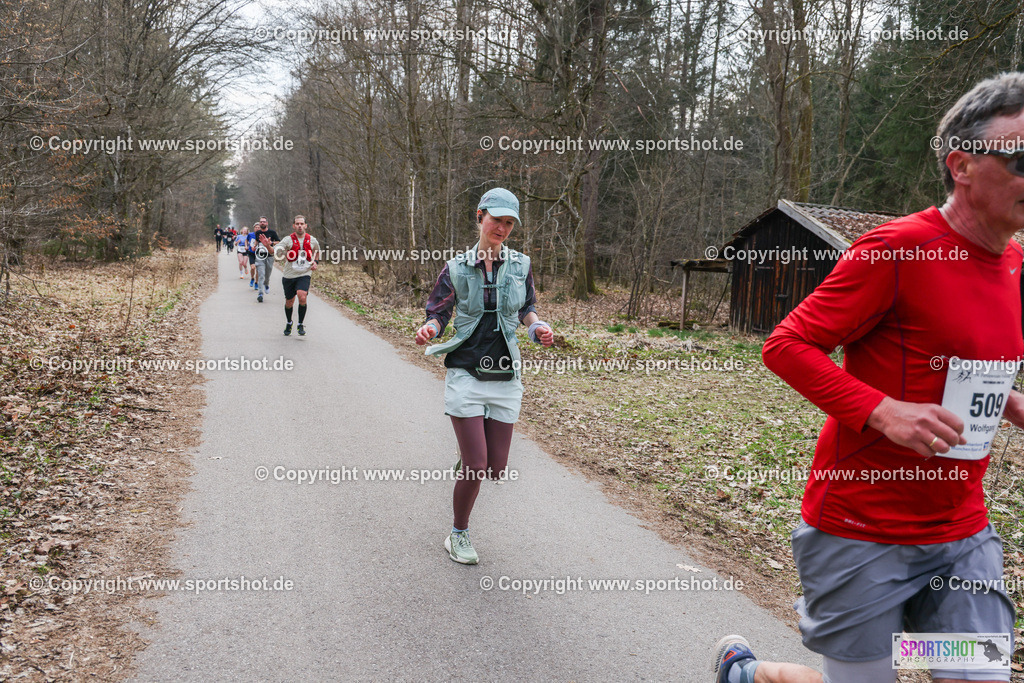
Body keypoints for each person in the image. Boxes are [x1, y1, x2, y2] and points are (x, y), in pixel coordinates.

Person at [714, 72, 1024, 683]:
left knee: (977, 674)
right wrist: (884, 411)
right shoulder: (897, 249)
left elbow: (960, 362)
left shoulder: (1014, 262)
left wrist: (1008, 401)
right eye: (1022, 158)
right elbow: (786, 345)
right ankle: (752, 674)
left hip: (961, 530)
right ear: (961, 164)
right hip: (862, 527)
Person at [415, 188, 554, 565]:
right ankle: (458, 533)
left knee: (495, 469)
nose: (503, 228)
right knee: (478, 467)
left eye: (510, 223)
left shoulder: (521, 265)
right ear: (480, 216)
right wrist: (430, 328)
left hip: (506, 374)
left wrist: (537, 327)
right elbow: (439, 311)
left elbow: (526, 308)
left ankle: (469, 456)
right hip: (466, 370)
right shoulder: (456, 267)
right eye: (497, 220)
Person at [275, 215, 320, 336]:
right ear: (294, 226)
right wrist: (268, 246)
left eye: (302, 224)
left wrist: (315, 262)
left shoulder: (312, 240)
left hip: (304, 274)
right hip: (289, 275)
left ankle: (300, 324)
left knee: (302, 296)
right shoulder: (288, 240)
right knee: (289, 302)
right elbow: (275, 251)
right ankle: (289, 322)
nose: (299, 226)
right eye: (297, 224)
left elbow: (317, 251)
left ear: (305, 225)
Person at [253, 216, 279, 303]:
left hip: (269, 256)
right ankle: (260, 293)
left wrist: (271, 243)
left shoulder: (272, 232)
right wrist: (254, 246)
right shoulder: (257, 233)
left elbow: (278, 242)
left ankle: (266, 284)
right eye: (261, 222)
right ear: (259, 223)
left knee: (267, 274)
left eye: (264, 222)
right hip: (260, 256)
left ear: (267, 223)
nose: (262, 223)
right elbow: (257, 241)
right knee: (261, 274)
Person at [245, 222, 260, 289]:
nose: (257, 228)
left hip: (259, 254)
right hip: (251, 253)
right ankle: (252, 278)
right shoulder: (250, 234)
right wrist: (246, 246)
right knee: (252, 267)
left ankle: (256, 283)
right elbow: (246, 240)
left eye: (258, 227)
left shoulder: (262, 235)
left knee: (258, 270)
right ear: (254, 228)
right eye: (256, 227)